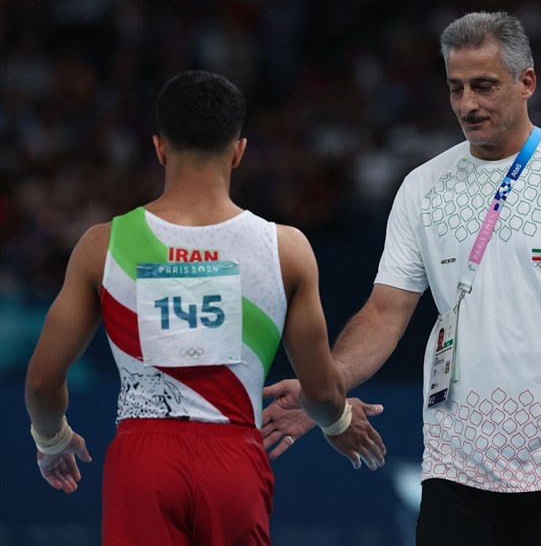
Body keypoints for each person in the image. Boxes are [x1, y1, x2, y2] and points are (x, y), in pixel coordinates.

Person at [261, 11, 541, 545]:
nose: (467, 103)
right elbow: (384, 313)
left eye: (484, 86)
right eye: (456, 88)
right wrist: (326, 388)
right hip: (457, 465)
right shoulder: (423, 187)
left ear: (526, 82)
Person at [24, 70, 386, 546]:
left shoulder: (103, 247)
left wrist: (52, 440)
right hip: (233, 463)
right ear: (238, 151)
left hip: (142, 463)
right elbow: (319, 392)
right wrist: (337, 423)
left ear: (159, 149)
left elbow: (42, 381)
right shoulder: (285, 249)